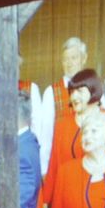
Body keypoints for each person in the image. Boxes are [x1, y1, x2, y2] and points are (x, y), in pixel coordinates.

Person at [41, 69, 105, 208]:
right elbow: (54, 166)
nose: (74, 96)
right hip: (69, 201)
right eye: (72, 92)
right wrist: (45, 202)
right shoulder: (62, 125)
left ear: (93, 90)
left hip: (104, 200)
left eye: (80, 91)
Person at [40, 37, 89, 174]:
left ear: (84, 59)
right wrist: (44, 170)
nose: (69, 63)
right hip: (62, 161)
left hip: (89, 158)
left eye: (74, 58)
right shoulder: (51, 92)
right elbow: (46, 135)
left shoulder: (94, 87)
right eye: (65, 59)